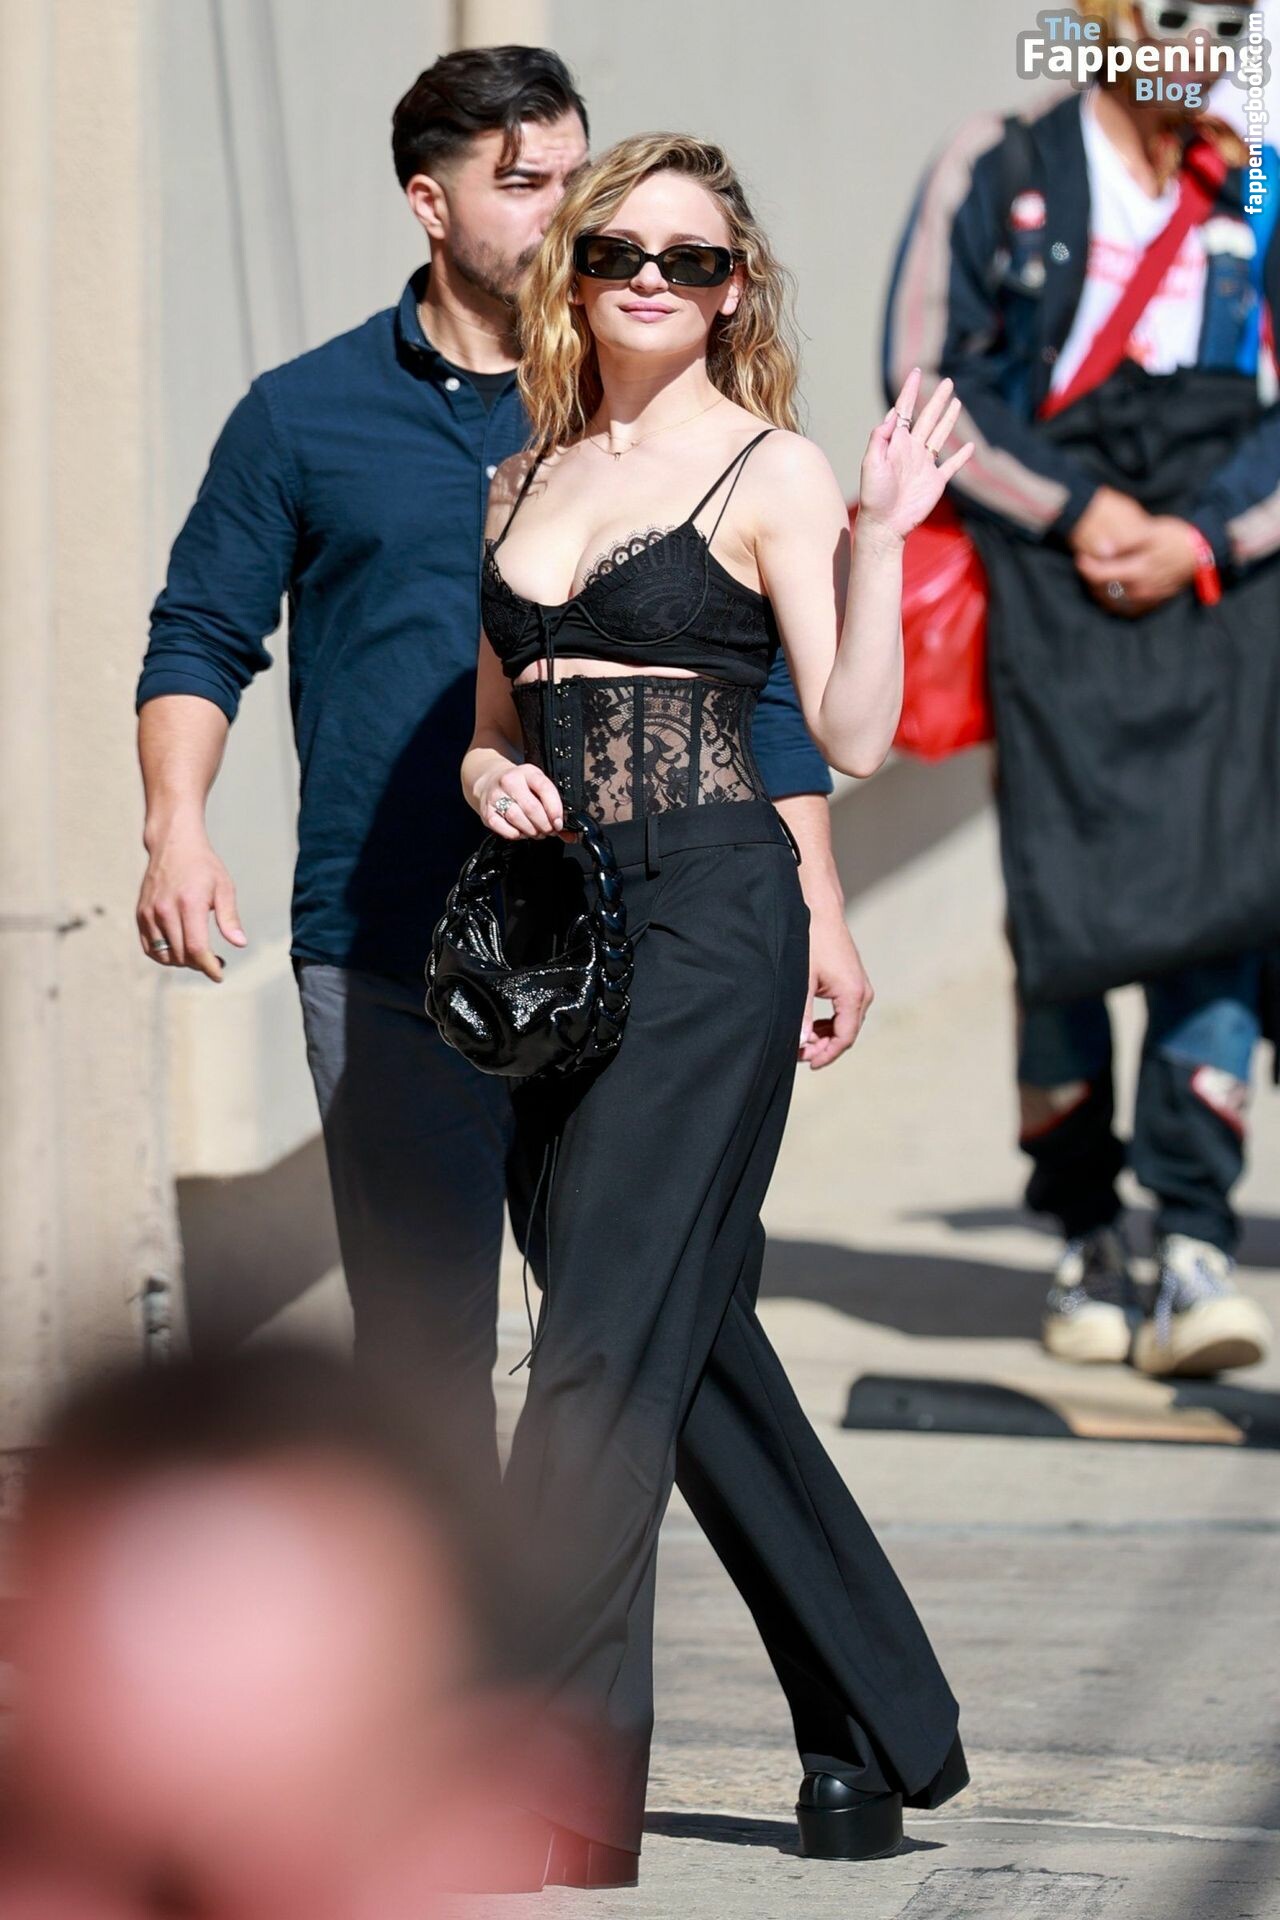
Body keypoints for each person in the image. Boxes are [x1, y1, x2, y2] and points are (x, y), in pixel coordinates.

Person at [134, 45, 873, 1484]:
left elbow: (759, 689)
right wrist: (177, 824)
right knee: (421, 1351)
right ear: (431, 202)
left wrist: (821, 902)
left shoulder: (641, 410)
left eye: (577, 178)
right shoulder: (302, 414)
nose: (570, 215)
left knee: (660, 1324)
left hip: (638, 947)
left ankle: (638, 1595)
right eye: (526, 182)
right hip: (391, 948)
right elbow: (201, 631)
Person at [465, 131, 974, 1891]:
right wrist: (488, 778)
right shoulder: (518, 475)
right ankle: (877, 1728)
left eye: (689, 259)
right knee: (679, 1344)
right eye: (620, 252)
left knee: (596, 1345)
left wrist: (886, 540)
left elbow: (853, 734)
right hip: (558, 942)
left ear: (733, 288)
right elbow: (495, 721)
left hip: (712, 918)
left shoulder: (775, 467)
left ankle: (536, 1777)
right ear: (576, 273)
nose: (652, 282)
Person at [883, 0, 1278, 1376]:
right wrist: (1075, 509)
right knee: (1061, 900)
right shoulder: (1000, 164)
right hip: (1053, 577)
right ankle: (1085, 1229)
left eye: (1227, 16)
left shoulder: (1259, 175)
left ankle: (1194, 1235)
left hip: (1219, 581)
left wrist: (1204, 535)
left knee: (1223, 897)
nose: (1201, 39)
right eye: (1170, 11)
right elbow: (927, 374)